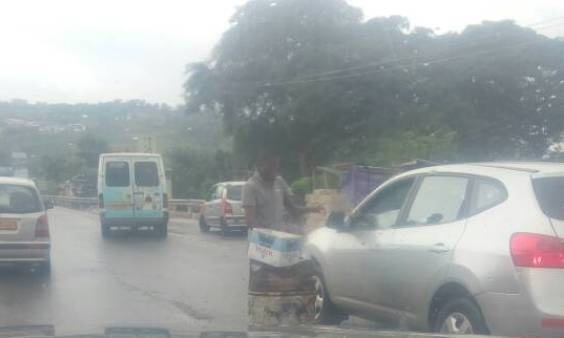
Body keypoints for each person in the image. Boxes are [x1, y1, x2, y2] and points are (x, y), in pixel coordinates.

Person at [242, 151, 322, 231]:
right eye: (271, 166)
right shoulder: (250, 187)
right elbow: (250, 222)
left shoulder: (279, 182)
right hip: (261, 239)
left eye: (276, 166)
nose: (274, 170)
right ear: (260, 166)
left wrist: (313, 209)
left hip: (279, 235)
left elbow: (293, 209)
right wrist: (268, 233)